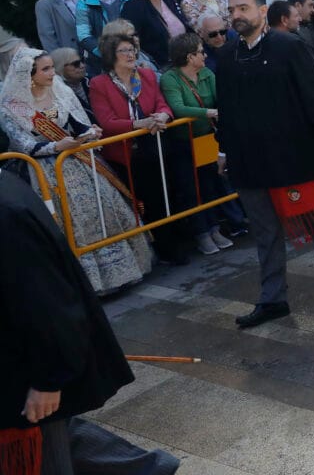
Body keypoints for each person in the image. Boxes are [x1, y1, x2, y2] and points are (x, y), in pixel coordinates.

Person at [0, 168, 180, 475]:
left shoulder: (5, 211)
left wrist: (48, 380)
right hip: (19, 363)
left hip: (27, 367)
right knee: (45, 438)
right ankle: (145, 472)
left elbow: (46, 303)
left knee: (33, 456)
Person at [215, 0, 314, 328]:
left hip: (291, 157)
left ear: (262, 11)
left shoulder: (289, 46)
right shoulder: (228, 53)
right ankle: (273, 299)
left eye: (243, 8)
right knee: (265, 233)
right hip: (249, 161)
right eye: (232, 9)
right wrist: (223, 148)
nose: (236, 15)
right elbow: (227, 108)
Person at [1, 47, 151, 294]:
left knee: (101, 213)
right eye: (46, 69)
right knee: (70, 225)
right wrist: (57, 146)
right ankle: (85, 284)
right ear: (29, 74)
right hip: (44, 171)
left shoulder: (59, 92)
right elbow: (25, 144)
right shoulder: (11, 106)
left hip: (76, 160)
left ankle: (120, 274)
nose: (52, 73)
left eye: (51, 67)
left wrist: (90, 133)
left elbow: (77, 124)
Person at [88, 30, 203, 264]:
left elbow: (162, 104)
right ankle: (164, 247)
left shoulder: (147, 75)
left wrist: (163, 116)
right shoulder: (100, 84)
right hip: (128, 152)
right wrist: (136, 124)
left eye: (132, 50)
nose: (131, 54)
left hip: (157, 145)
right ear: (111, 55)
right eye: (124, 51)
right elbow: (106, 121)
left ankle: (180, 239)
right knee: (148, 200)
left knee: (170, 192)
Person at [159, 32, 248, 254]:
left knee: (208, 184)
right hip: (183, 142)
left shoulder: (207, 73)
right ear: (189, 57)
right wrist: (209, 111)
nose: (205, 55)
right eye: (200, 52)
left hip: (207, 138)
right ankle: (201, 232)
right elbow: (178, 108)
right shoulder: (170, 78)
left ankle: (214, 228)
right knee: (190, 188)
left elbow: (222, 97)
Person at [121, 0, 191, 70]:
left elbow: (184, 22)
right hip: (160, 65)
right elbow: (131, 39)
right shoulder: (133, 8)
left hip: (186, 57)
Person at [75, 0, 132, 75]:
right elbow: (83, 36)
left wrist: (132, 51)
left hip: (132, 56)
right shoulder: (84, 2)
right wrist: (108, 54)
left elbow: (139, 28)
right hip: (101, 63)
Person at [50, 46, 95, 120]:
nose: (82, 66)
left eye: (82, 61)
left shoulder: (93, 82)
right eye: (76, 64)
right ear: (60, 67)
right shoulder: (58, 95)